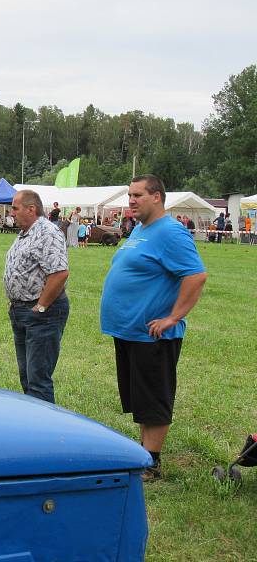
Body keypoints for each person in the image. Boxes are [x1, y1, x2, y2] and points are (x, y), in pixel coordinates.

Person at [100, 175, 207, 481]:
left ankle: (152, 464)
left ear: (157, 196)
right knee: (141, 397)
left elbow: (196, 276)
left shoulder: (171, 232)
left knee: (154, 397)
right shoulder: (140, 230)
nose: (131, 201)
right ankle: (144, 452)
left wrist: (173, 317)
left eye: (137, 195)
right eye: (129, 195)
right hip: (130, 331)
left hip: (154, 334)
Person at [4, 189, 70, 404]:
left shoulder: (47, 232)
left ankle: (45, 433)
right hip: (22, 311)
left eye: (15, 208)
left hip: (43, 314)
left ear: (31, 209)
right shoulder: (26, 232)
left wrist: (41, 307)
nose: (11, 212)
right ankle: (32, 426)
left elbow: (59, 273)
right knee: (28, 378)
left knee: (38, 380)